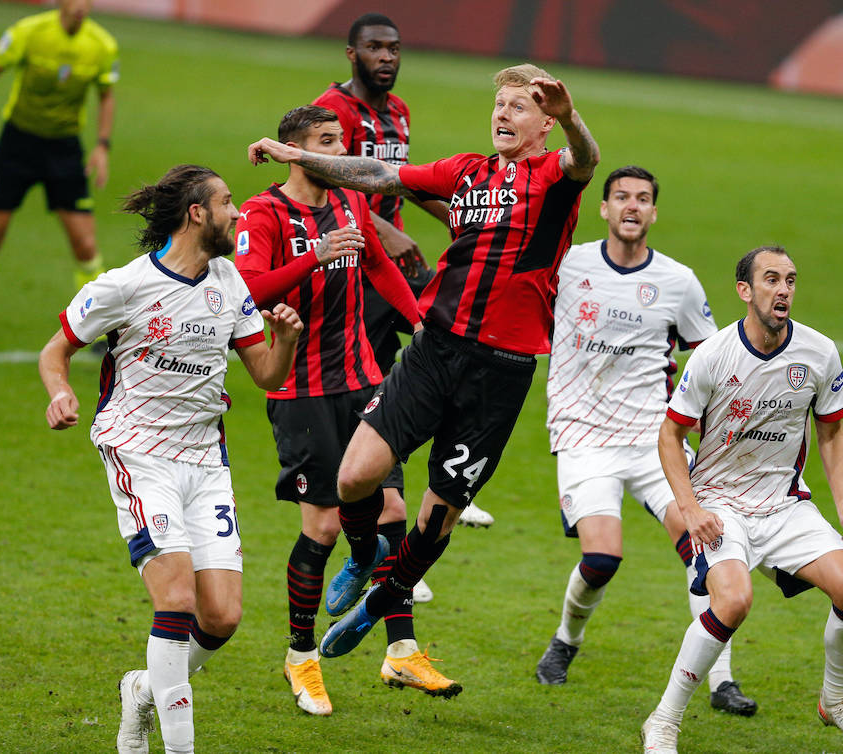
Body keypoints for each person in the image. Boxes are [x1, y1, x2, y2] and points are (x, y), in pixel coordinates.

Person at [246, 62, 600, 661]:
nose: (503, 115)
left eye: (519, 107)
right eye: (500, 105)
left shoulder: (555, 175)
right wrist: (295, 155)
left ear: (544, 123)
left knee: (438, 515)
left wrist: (572, 118)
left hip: (502, 370)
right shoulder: (466, 172)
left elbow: (585, 159)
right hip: (435, 347)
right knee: (355, 477)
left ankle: (386, 599)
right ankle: (363, 561)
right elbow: (379, 175)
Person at [38, 164, 304, 754]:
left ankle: (143, 689)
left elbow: (265, 374)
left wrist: (284, 340)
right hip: (140, 453)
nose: (239, 213)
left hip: (205, 460)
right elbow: (55, 352)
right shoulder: (123, 286)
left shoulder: (229, 281)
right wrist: (61, 391)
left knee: (223, 617)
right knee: (177, 602)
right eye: (229, 202)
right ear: (197, 214)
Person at [234, 105, 461, 714]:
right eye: (327, 141)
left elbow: (379, 266)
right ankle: (300, 657)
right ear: (296, 150)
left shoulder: (350, 204)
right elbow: (249, 292)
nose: (340, 151)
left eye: (342, 141)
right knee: (324, 526)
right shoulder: (264, 213)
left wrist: (419, 324)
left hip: (365, 379)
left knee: (392, 507)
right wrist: (317, 254)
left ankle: (401, 650)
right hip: (301, 391)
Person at [640, 246, 843, 753]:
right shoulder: (713, 355)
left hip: (784, 504)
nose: (784, 290)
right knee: (733, 599)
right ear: (745, 291)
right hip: (720, 503)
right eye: (771, 279)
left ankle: (834, 702)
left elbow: (832, 432)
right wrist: (690, 509)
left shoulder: (819, 352)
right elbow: (669, 435)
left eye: (790, 280)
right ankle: (664, 719)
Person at [535, 165, 756, 716]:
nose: (631, 207)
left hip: (653, 440)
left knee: (704, 547)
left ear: (654, 212)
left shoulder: (678, 282)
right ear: (604, 209)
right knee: (603, 557)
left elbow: (713, 361)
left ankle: (721, 680)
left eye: (642, 199)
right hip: (583, 437)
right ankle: (566, 640)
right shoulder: (570, 265)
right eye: (621, 198)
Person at [313, 12, 495, 531]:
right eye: (375, 48)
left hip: (397, 265)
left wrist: (461, 219)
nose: (387, 57)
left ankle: (452, 479)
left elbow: (402, 182)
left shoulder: (398, 112)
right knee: (376, 381)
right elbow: (329, 183)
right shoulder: (333, 109)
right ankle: (375, 514)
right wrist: (387, 233)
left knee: (451, 350)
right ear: (352, 53)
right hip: (356, 264)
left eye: (394, 48)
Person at [0, 0, 118, 349]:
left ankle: (97, 331)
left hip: (64, 151)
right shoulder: (29, 32)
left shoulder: (102, 44)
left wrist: (101, 145)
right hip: (17, 145)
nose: (83, 6)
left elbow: (106, 94)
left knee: (85, 244)